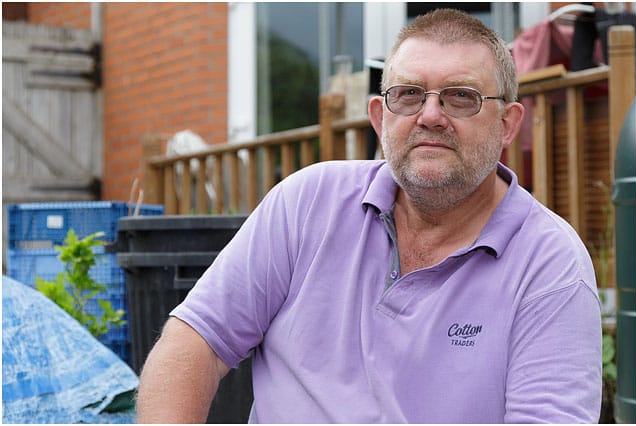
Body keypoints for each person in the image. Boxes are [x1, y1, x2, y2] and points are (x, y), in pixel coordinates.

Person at [137, 9, 602, 423]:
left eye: (461, 96)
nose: (431, 115)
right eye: (408, 94)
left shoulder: (549, 265)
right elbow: (193, 342)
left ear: (507, 124)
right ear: (380, 118)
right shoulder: (307, 203)